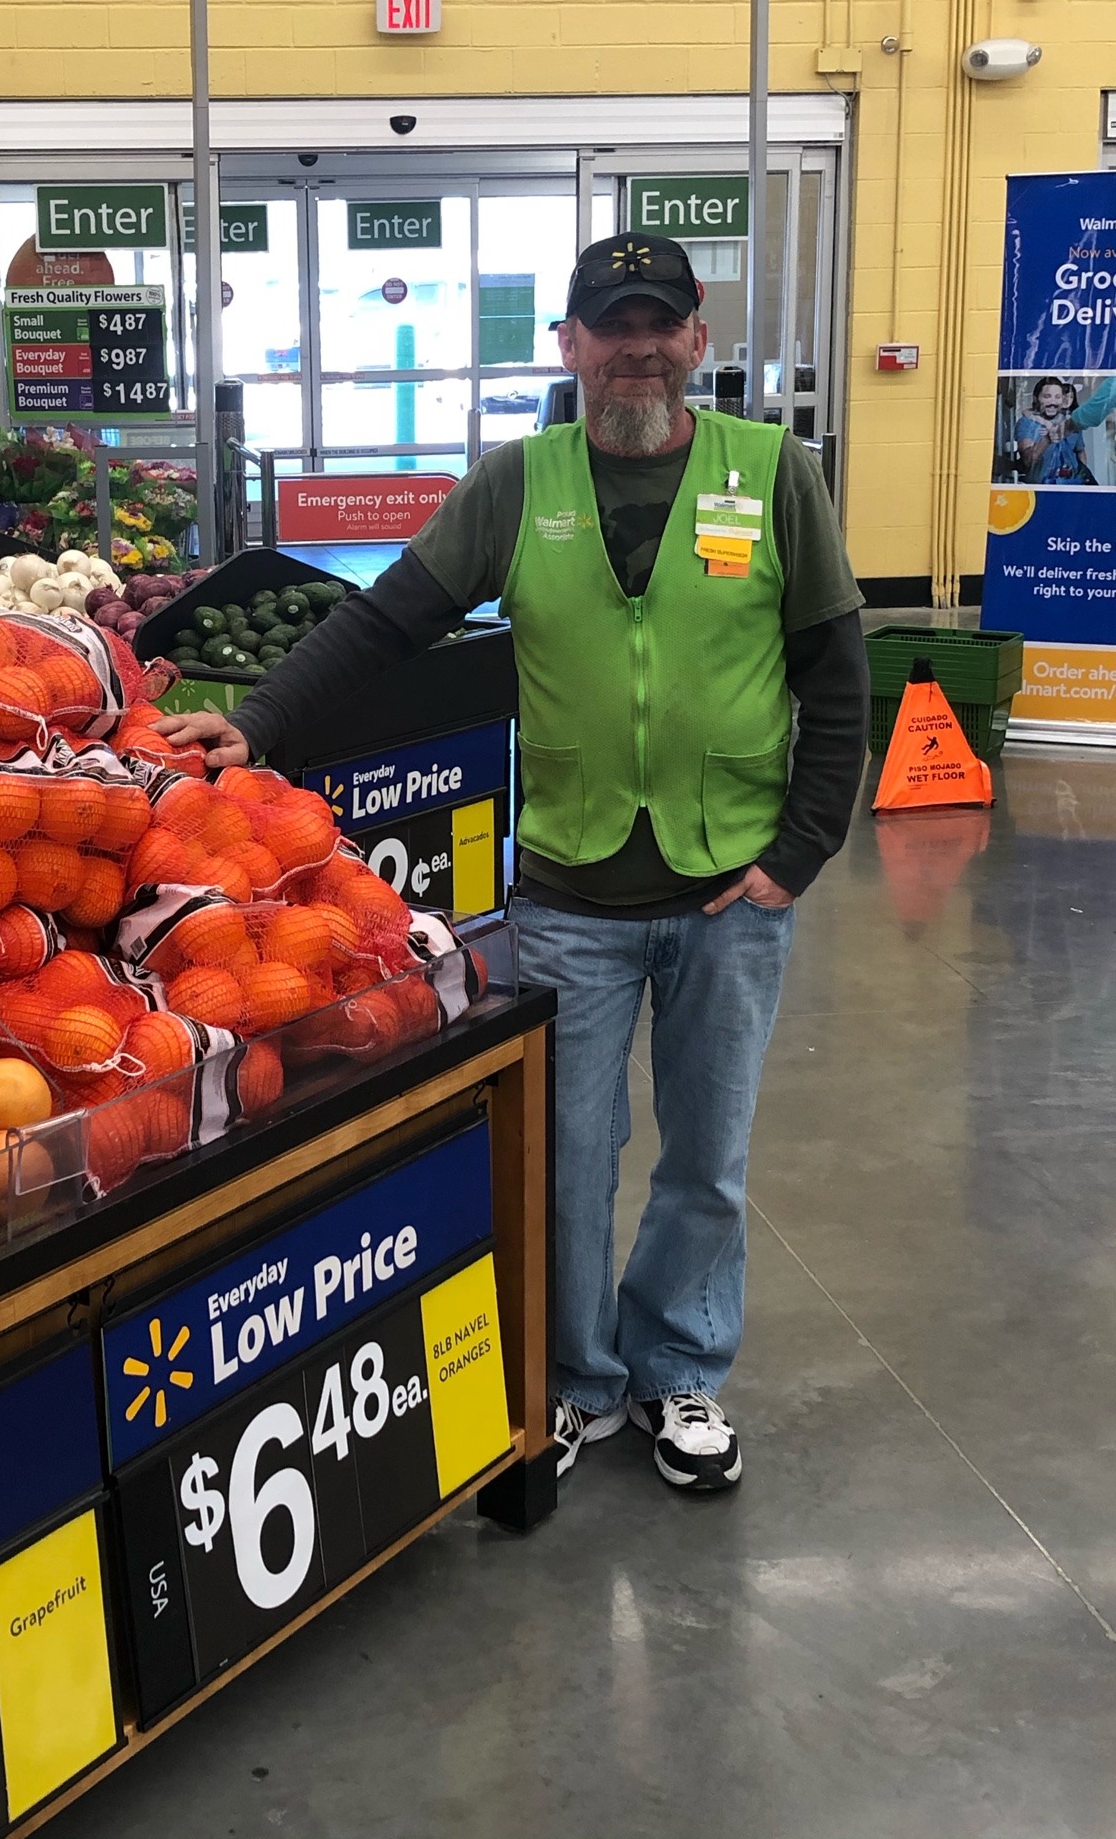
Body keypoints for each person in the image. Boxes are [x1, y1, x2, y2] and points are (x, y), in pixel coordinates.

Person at [166, 232, 869, 1495]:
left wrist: (802, 848)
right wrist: (259, 723)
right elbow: (386, 620)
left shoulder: (773, 473)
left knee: (708, 1157)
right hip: (572, 891)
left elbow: (835, 666)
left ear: (698, 340)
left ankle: (681, 1368)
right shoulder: (517, 482)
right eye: (612, 325)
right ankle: (582, 1378)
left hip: (731, 889)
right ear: (571, 346)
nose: (637, 347)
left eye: (660, 323)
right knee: (566, 1151)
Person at [1015, 377, 1092, 484]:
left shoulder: (1071, 423)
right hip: (1041, 490)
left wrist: (1082, 479)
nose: (1053, 402)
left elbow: (1080, 451)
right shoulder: (1026, 423)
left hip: (1073, 487)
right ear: (1036, 398)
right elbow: (1027, 461)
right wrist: (1047, 439)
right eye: (1047, 396)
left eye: (1057, 397)